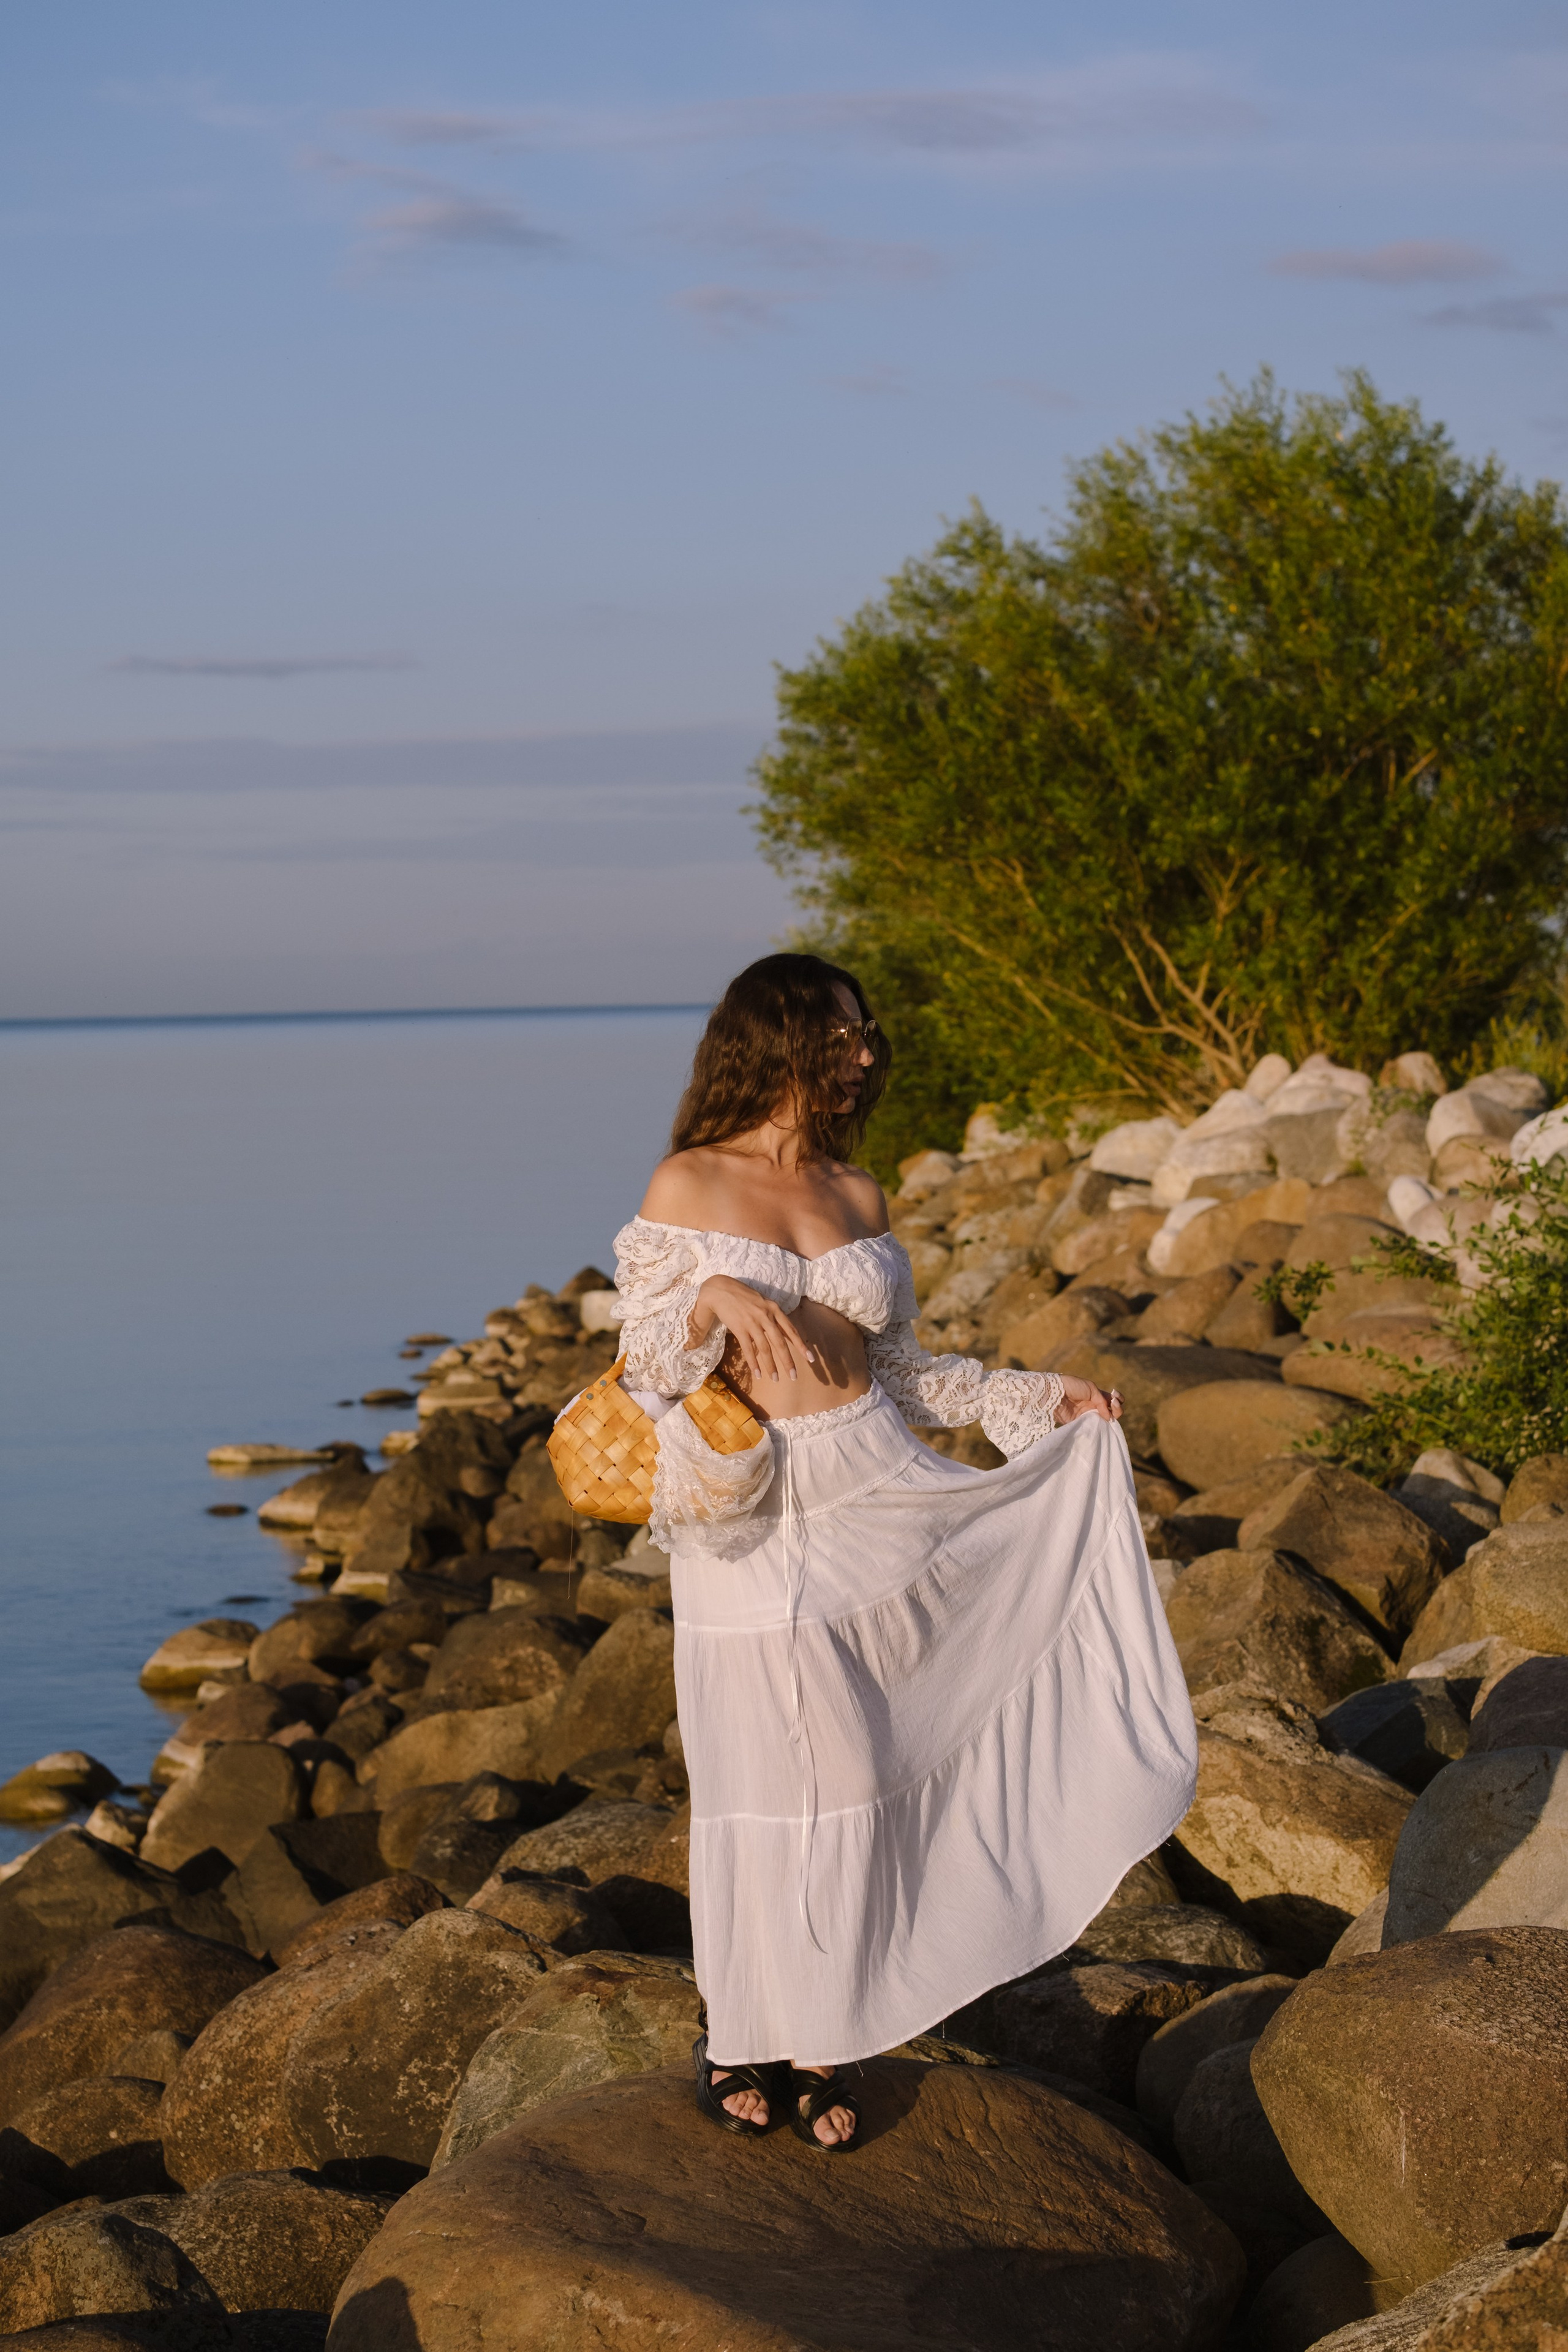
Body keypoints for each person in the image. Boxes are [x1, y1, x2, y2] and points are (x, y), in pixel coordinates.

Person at [612, 952, 1197, 2152]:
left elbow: (897, 1371)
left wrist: (1033, 1399)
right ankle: (740, 2033)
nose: (865, 1053)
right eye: (840, 1034)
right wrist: (712, 1297)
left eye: (867, 1033)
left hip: (875, 1477)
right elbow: (642, 1370)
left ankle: (826, 2033)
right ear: (773, 1041)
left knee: (871, 1767)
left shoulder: (857, 1192)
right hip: (755, 1515)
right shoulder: (690, 1181)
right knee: (771, 1778)